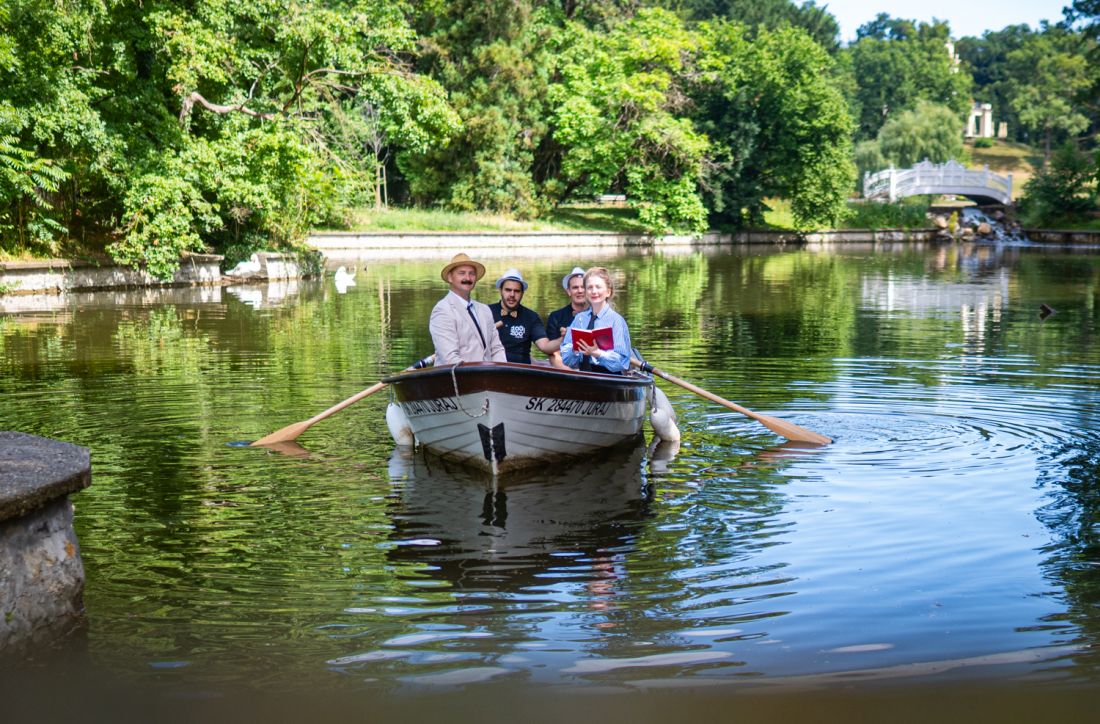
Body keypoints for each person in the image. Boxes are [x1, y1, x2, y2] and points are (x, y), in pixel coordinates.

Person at [429, 252, 507, 365]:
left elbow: (497, 349)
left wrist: (501, 372)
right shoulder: (442, 310)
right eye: (462, 273)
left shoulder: (484, 310)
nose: (468, 278)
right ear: (450, 277)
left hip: (489, 378)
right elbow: (449, 358)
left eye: (472, 274)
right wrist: (476, 376)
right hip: (456, 379)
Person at [559, 267, 632, 374]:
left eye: (598, 287)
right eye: (589, 287)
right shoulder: (579, 319)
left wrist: (598, 353)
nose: (594, 291)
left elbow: (622, 362)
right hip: (584, 378)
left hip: (610, 380)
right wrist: (574, 350)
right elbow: (566, 360)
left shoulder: (616, 321)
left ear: (608, 292)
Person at [490, 268, 560, 364]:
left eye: (517, 291)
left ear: (522, 293)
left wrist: (563, 339)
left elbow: (545, 347)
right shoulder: (486, 312)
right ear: (500, 290)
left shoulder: (531, 317)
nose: (512, 294)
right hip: (493, 368)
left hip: (522, 372)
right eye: (508, 290)